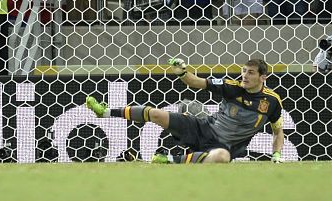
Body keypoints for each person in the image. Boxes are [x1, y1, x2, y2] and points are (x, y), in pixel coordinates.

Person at [86, 57, 285, 163]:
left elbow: (277, 130)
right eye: (243, 71)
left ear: (263, 77)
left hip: (224, 147)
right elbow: (195, 81)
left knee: (222, 158)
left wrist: (276, 154)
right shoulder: (231, 86)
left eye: (250, 73)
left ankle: (170, 160)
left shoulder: (272, 101)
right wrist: (182, 71)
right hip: (203, 128)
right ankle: (105, 112)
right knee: (156, 114)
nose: (245, 76)